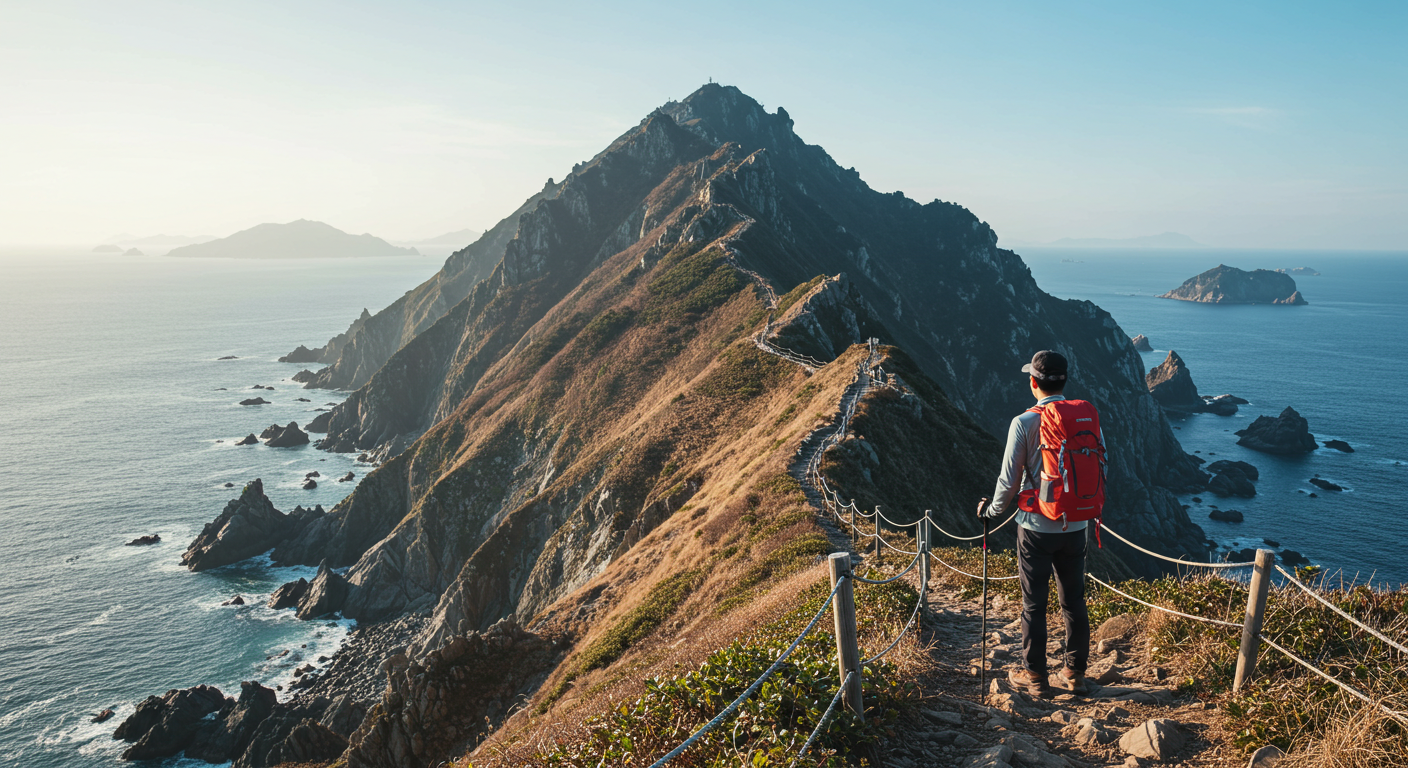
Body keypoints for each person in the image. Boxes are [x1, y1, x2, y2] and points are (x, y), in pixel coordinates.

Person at [976, 350, 1095, 697]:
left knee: (1034, 604)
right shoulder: (1084, 417)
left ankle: (1037, 678)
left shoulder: (1024, 422)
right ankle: (1075, 674)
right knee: (1074, 600)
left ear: (1033, 382)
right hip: (1076, 525)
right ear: (1064, 381)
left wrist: (990, 512)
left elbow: (1008, 481)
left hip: (1035, 527)